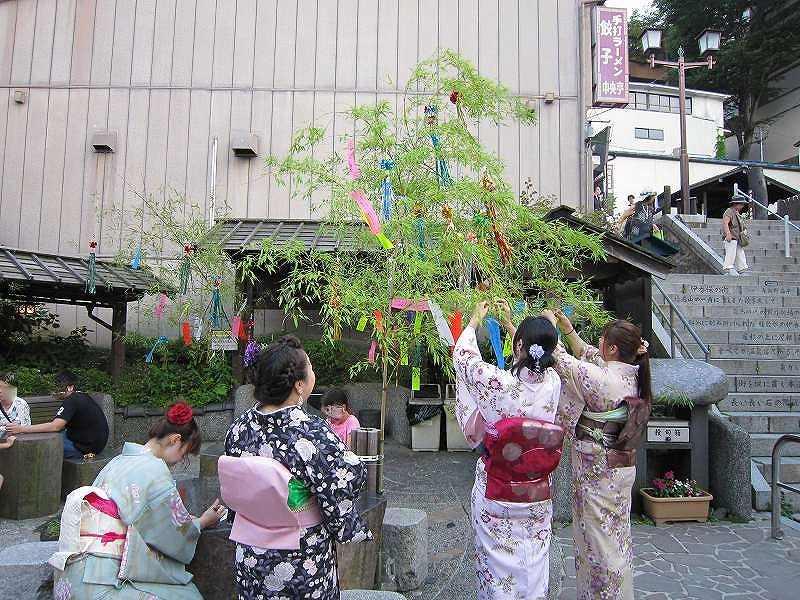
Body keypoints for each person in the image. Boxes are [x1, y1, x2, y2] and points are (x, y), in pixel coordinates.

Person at [223, 335, 372, 600]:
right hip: (300, 557)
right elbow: (349, 477)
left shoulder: (238, 429)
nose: (314, 372)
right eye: (311, 368)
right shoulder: (310, 432)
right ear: (299, 385)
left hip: (251, 555)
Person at [49, 402, 225, 599]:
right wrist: (201, 522)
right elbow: (173, 533)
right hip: (103, 580)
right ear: (175, 440)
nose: (179, 461)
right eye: (184, 453)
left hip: (72, 576)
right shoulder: (156, 471)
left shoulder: (117, 461)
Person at [453, 300, 564, 600]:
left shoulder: (498, 384)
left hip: (497, 492)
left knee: (497, 564)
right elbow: (537, 358)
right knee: (535, 560)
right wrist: (513, 327)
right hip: (537, 493)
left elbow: (463, 358)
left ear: (518, 347)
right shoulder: (553, 383)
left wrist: (476, 320)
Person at [542, 309, 652, 600]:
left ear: (613, 348)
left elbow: (562, 361)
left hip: (598, 474)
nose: (599, 345)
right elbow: (589, 355)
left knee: (598, 545)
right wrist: (568, 329)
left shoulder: (603, 380)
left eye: (603, 340)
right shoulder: (632, 374)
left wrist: (550, 327)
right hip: (619, 471)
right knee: (616, 539)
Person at [7, 370, 109, 459]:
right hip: (93, 442)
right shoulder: (81, 396)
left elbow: (55, 426)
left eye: (59, 386)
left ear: (70, 387)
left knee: (41, 447)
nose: (55, 391)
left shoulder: (72, 400)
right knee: (49, 436)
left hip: (85, 447)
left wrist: (20, 429)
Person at [722, 195, 750, 275]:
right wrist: (728, 234)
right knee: (731, 253)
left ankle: (742, 268)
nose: (742, 206)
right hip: (731, 237)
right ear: (735, 204)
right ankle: (728, 267)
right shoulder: (729, 211)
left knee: (740, 253)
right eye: (741, 204)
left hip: (738, 238)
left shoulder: (737, 213)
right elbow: (725, 223)